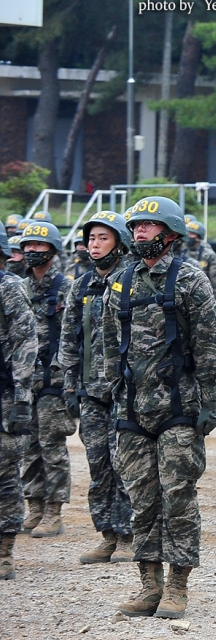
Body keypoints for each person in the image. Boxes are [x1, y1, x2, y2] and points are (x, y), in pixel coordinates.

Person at [103, 197, 216, 619]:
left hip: (180, 406)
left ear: (170, 234)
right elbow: (106, 346)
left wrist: (208, 402)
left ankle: (177, 586)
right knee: (142, 499)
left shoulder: (191, 279)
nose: (139, 233)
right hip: (133, 409)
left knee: (177, 496)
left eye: (148, 226)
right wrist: (111, 398)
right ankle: (148, 584)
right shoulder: (120, 282)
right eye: (135, 226)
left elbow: (208, 347)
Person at [58, 211, 135, 564]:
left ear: (119, 242)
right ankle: (106, 534)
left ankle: (128, 536)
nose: (95, 244)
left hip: (124, 389)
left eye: (103, 238)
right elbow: (69, 341)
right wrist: (70, 387)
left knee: (126, 464)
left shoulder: (133, 280)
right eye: (91, 238)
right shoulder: (81, 286)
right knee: (98, 464)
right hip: (90, 390)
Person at [17, 219, 73, 539]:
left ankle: (54, 509)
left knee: (52, 446)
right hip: (25, 379)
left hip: (54, 377)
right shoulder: (19, 286)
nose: (32, 251)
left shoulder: (66, 287)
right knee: (28, 446)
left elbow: (75, 335)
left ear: (52, 250)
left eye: (39, 246)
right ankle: (34, 504)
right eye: (28, 246)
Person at [0, 256, 36, 581]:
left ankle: (4, 551)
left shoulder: (9, 287)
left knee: (5, 474)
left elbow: (25, 341)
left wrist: (21, 397)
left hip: (5, 394)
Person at [182, 219, 216, 291]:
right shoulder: (181, 250)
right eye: (187, 233)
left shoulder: (209, 254)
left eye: (192, 233)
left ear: (199, 236)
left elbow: (215, 281)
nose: (188, 236)